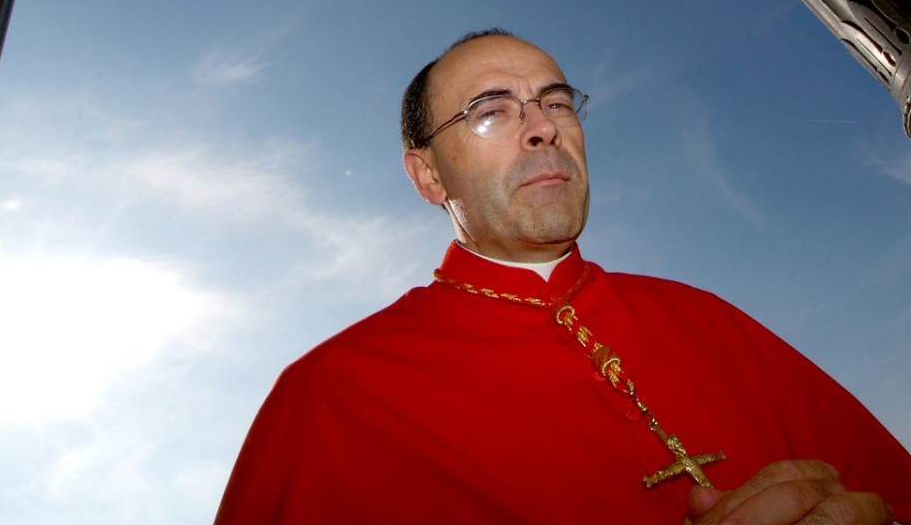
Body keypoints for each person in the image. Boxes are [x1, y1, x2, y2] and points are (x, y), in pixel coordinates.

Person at [214, 29, 911, 523]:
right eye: (491, 112)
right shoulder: (335, 393)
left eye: (556, 102)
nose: (543, 127)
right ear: (428, 174)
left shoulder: (704, 316)